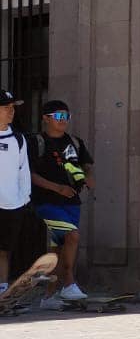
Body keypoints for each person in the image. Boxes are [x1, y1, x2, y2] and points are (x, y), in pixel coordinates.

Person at [31, 99, 94, 308]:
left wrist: (88, 176)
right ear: (46, 118)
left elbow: (86, 164)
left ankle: (48, 297)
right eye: (59, 116)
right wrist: (57, 188)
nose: (64, 121)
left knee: (58, 248)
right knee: (73, 236)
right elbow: (30, 174)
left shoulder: (75, 142)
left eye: (66, 116)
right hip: (47, 202)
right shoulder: (36, 142)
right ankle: (69, 283)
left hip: (72, 201)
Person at [0, 90, 31, 296]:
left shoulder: (18, 139)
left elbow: (24, 172)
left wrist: (22, 199)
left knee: (4, 250)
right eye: (6, 107)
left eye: (13, 107)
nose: (11, 112)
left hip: (12, 205)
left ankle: (2, 290)